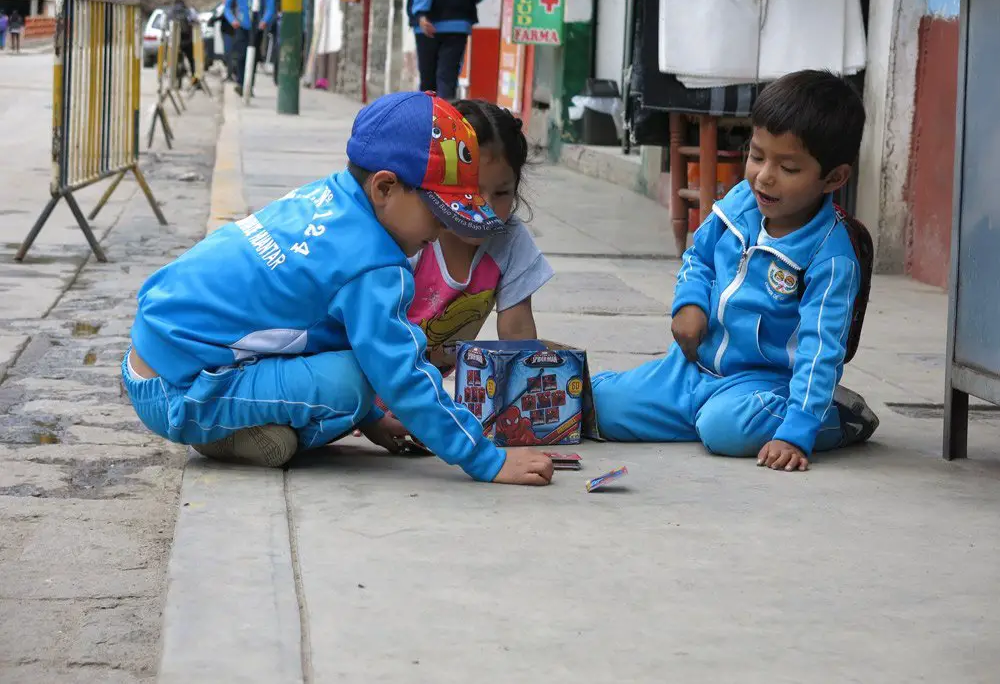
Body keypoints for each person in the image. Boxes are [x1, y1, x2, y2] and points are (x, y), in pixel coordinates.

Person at [121, 91, 553, 486]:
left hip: (158, 357)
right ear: (385, 187)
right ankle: (220, 430)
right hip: (180, 389)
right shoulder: (373, 265)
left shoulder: (327, 198)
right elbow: (400, 375)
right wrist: (487, 460)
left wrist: (374, 424)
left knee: (347, 363)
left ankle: (238, 421)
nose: (443, 229)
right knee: (351, 384)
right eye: (439, 212)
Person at [590, 70, 880, 472]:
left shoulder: (830, 257)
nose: (764, 176)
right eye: (757, 155)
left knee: (725, 429)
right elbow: (700, 257)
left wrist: (795, 433)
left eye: (789, 168)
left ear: (834, 177)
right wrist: (688, 303)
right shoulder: (741, 202)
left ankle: (834, 418)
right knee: (595, 404)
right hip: (689, 369)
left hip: (763, 384)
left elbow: (820, 350)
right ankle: (699, 411)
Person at [364, 99, 553, 447]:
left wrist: (528, 408)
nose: (485, 205)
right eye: (472, 189)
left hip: (421, 397)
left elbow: (517, 333)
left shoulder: (510, 240)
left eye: (502, 193)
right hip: (365, 384)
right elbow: (371, 331)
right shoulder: (413, 234)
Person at [407, 0, 495, 100]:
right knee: (448, 82)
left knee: (428, 84)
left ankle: (427, 123)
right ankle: (446, 124)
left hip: (426, 23)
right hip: (457, 22)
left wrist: (421, 11)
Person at [224, 0, 276, 95]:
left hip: (256, 27)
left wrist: (264, 20)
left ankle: (249, 85)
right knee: (241, 56)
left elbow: (271, 6)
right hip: (241, 26)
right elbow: (227, 7)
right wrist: (232, 20)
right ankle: (241, 83)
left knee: (253, 57)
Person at [167, 0, 198, 85]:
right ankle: (195, 80)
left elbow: (168, 24)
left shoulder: (171, 12)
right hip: (187, 40)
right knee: (192, 60)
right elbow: (194, 21)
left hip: (176, 41)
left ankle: (175, 80)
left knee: (174, 60)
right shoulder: (188, 11)